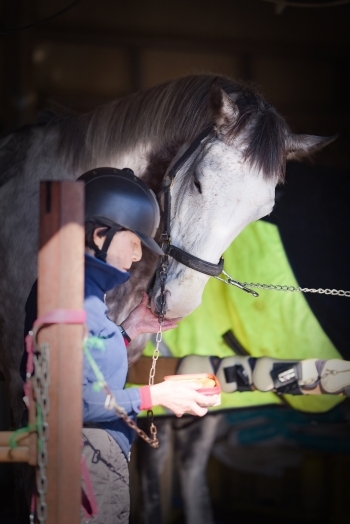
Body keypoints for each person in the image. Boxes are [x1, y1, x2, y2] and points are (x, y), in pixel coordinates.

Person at [21, 166, 218, 524]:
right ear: (101, 235)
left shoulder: (81, 294)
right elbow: (70, 403)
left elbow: (87, 368)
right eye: (135, 242)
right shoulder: (70, 295)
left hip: (89, 467)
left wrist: (127, 330)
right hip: (80, 475)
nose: (138, 256)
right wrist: (157, 396)